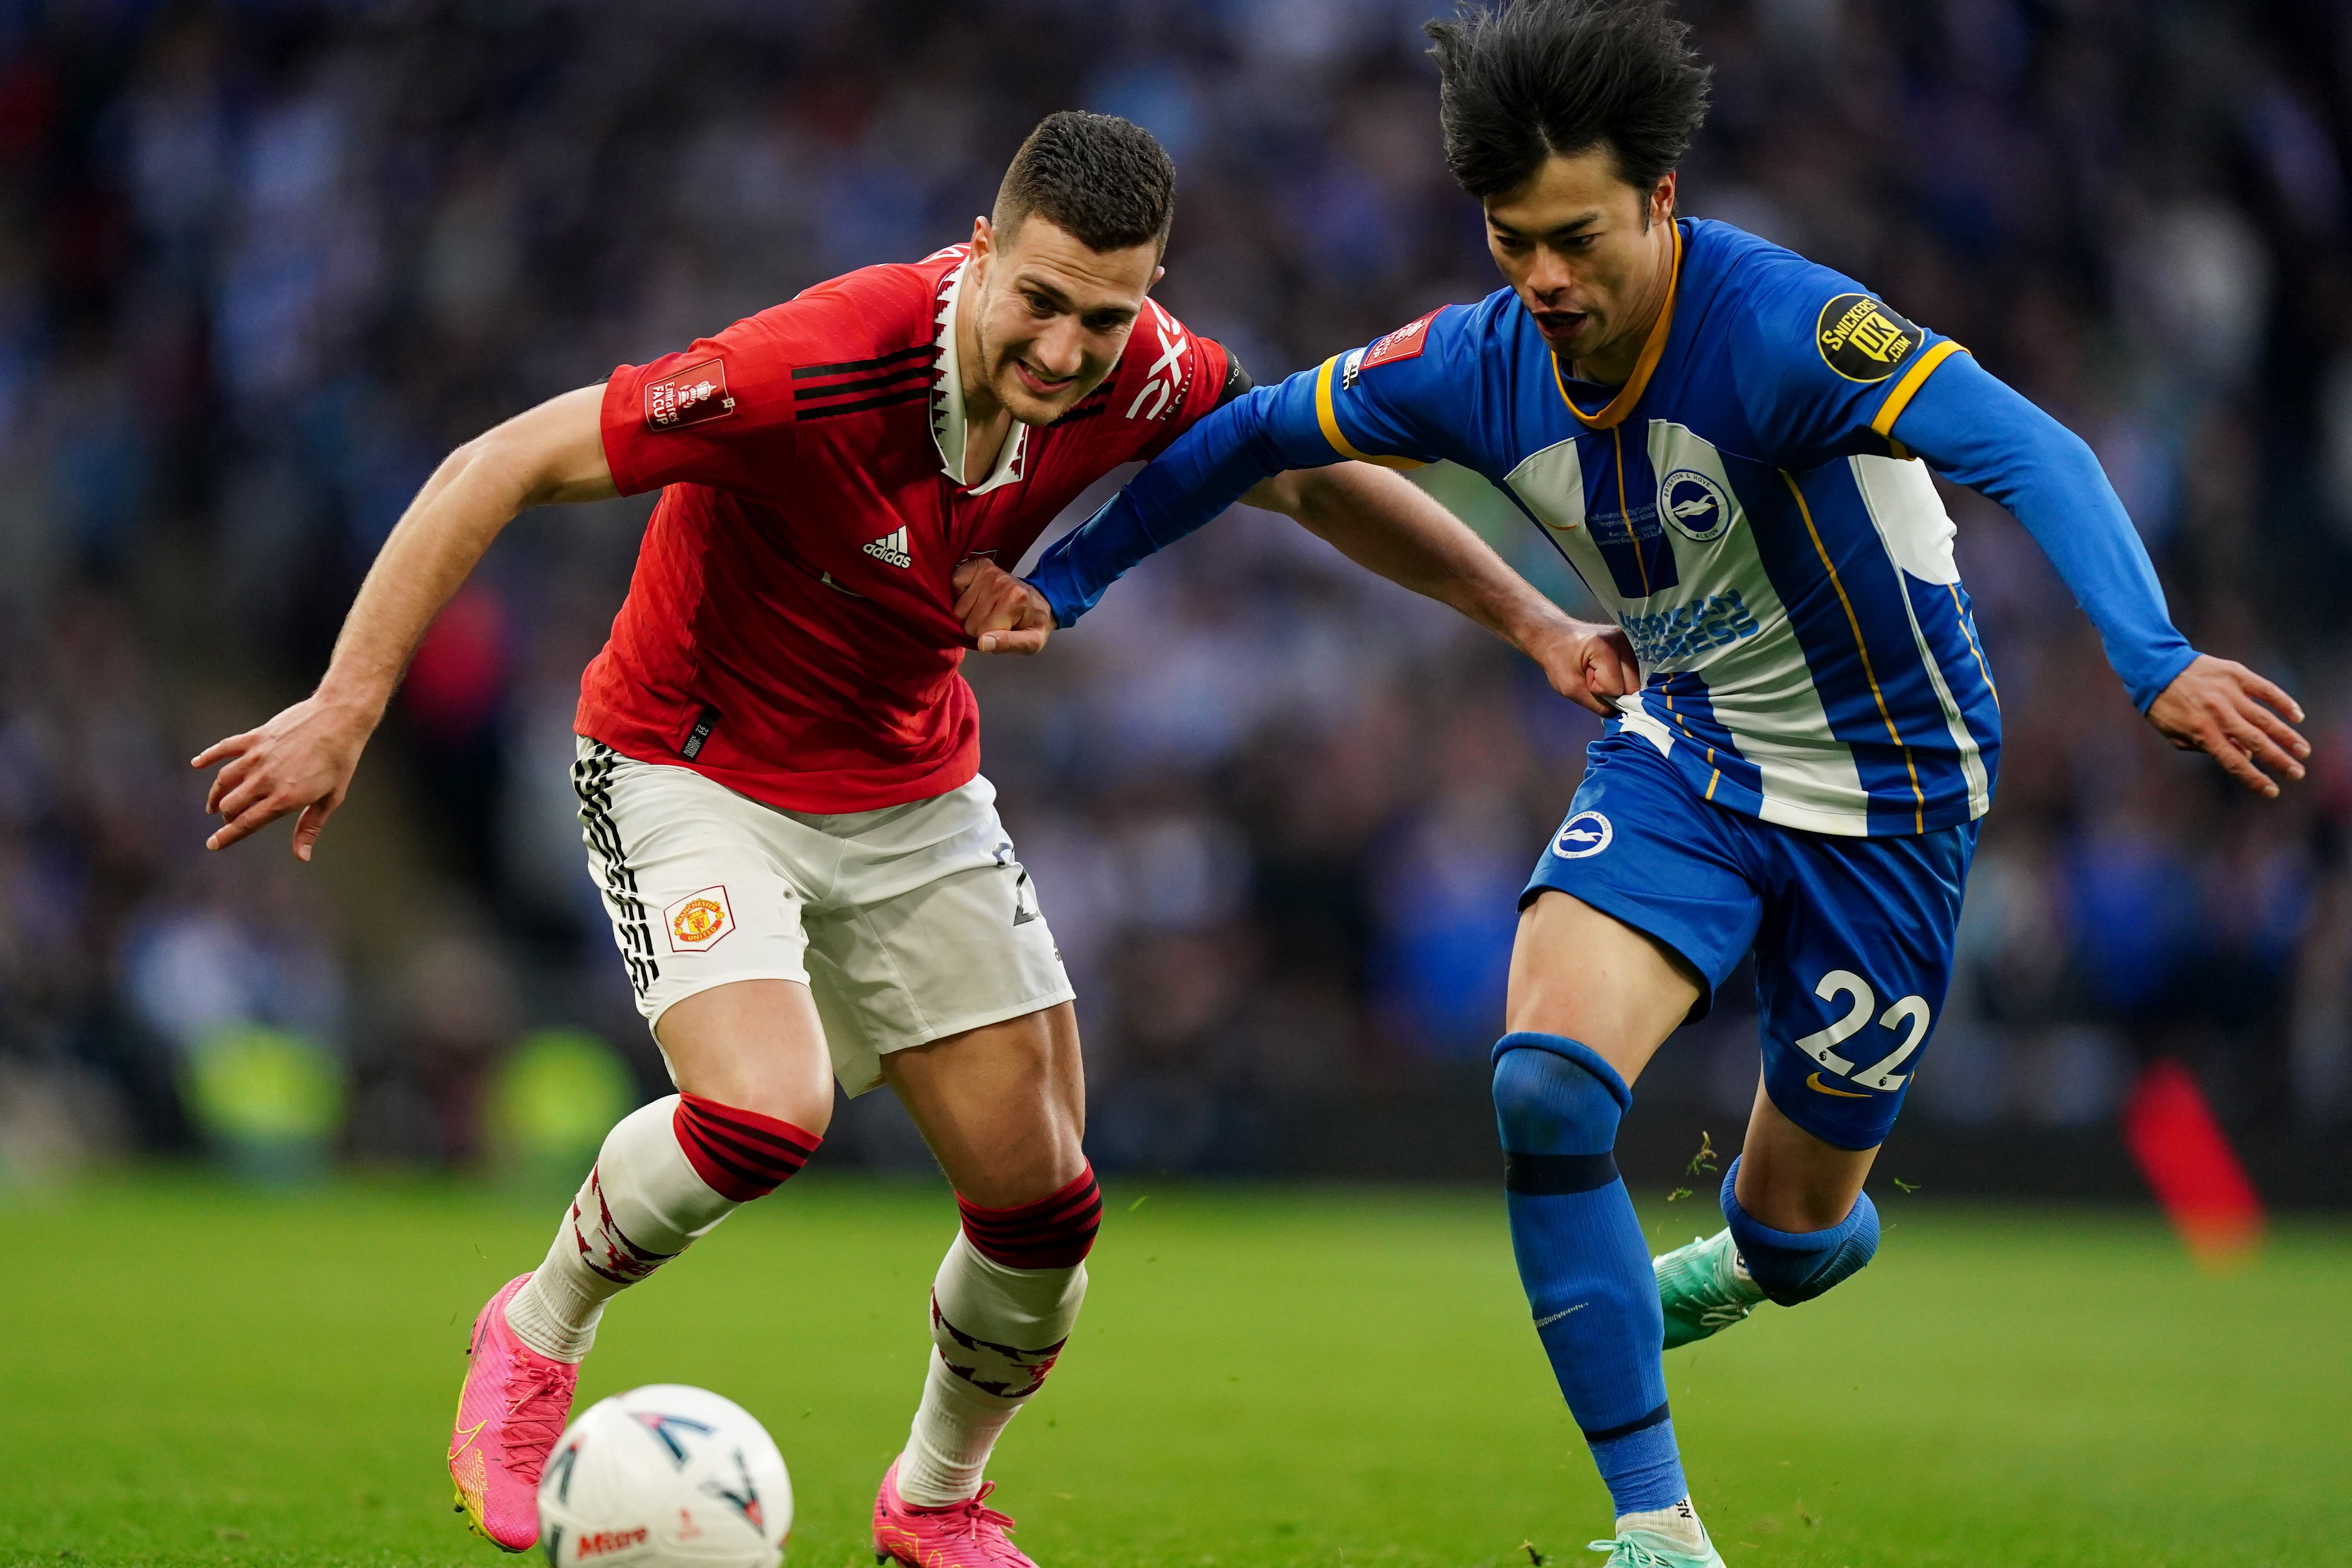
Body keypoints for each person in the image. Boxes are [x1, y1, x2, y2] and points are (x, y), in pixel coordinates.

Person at [951, 5, 2309, 1563]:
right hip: (1693, 751)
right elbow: (1253, 437)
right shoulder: (1478, 361)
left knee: (1800, 1244)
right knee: (1543, 1086)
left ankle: (1761, 1249)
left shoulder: (1787, 330)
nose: (1546, 280)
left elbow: (2034, 451)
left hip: (1897, 806)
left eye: (1580, 238)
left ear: (1663, 200)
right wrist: (1082, 581)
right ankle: (1655, 1527)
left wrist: (2154, 662)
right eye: (1513, 240)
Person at [192, 110, 1599, 1565]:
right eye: (1039, 302)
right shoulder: (811, 364)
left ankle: (933, 1501)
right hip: (691, 763)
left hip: (910, 790)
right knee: (764, 1111)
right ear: (981, 254)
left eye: (1104, 318)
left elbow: (1305, 473)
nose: (1064, 351)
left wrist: (1539, 624)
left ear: (1153, 291)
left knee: (1045, 1208)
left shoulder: (1154, 370)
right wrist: (348, 707)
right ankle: (535, 1332)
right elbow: (500, 460)